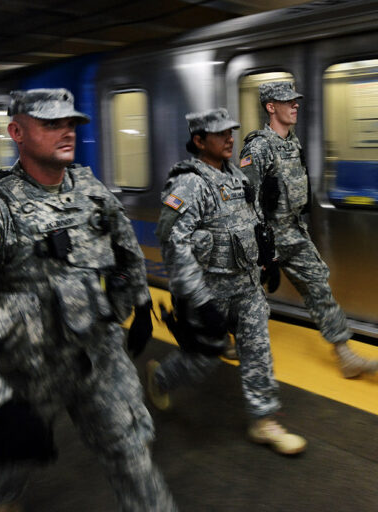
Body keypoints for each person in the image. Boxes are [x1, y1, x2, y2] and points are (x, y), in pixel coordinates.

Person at [0, 88, 176, 512]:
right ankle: (2, 496)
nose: (67, 131)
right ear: (16, 132)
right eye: (51, 123)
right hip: (28, 370)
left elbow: (125, 244)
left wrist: (140, 301)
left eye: (70, 122)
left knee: (132, 451)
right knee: (14, 456)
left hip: (98, 357)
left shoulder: (89, 190)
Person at [147, 108, 306, 456]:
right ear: (199, 140)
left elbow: (254, 222)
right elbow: (174, 244)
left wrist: (268, 259)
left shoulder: (236, 177)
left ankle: (264, 421)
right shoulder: (189, 183)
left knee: (258, 351)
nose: (229, 139)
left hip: (246, 287)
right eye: (220, 134)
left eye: (230, 132)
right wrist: (200, 302)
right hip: (209, 292)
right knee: (205, 357)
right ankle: (162, 377)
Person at [239, 81, 378, 379]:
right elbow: (247, 202)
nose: (295, 105)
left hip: (293, 233)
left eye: (296, 100)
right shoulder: (258, 148)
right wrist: (260, 248)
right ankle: (217, 338)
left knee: (319, 286)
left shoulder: (293, 143)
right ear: (271, 107)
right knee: (242, 297)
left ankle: (344, 355)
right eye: (288, 101)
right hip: (264, 239)